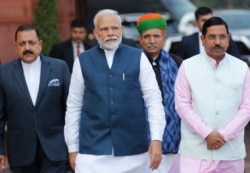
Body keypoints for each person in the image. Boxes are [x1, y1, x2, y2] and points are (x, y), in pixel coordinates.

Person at [64, 9, 166, 173]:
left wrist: (156, 139)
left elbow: (153, 100)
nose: (110, 33)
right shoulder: (82, 61)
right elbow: (74, 106)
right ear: (96, 33)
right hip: (93, 151)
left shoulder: (138, 57)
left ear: (121, 30)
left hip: (134, 150)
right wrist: (72, 147)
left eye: (114, 28)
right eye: (104, 29)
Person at [171, 16, 250, 173]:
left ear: (228, 38)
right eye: (212, 37)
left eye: (222, 37)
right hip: (195, 152)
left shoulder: (241, 68)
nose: (217, 42)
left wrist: (224, 135)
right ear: (202, 39)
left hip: (230, 152)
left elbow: (247, 107)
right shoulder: (188, 66)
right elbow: (182, 105)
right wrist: (207, 134)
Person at [0, 24, 70, 173]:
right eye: (22, 43)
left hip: (55, 149)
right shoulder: (3, 73)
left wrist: (74, 147)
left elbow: (70, 110)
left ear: (40, 44)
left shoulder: (59, 68)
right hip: (20, 151)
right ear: (15, 46)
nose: (27, 47)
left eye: (31, 43)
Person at [136, 13, 182, 173]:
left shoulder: (177, 63)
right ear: (140, 39)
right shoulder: (132, 63)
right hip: (140, 139)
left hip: (173, 137)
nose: (152, 41)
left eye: (156, 36)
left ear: (164, 37)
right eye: (147, 37)